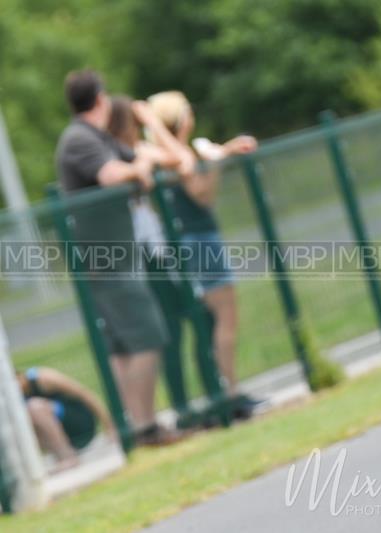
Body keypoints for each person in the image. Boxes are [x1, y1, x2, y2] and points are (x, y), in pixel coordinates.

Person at [54, 70, 180, 446]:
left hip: (115, 257)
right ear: (100, 99)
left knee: (126, 346)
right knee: (148, 336)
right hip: (106, 261)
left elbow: (163, 160)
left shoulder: (98, 137)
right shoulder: (79, 139)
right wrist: (140, 169)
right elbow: (113, 176)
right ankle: (143, 427)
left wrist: (148, 149)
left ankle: (133, 428)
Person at [146, 90, 260, 420]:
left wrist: (222, 150)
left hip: (187, 241)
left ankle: (225, 391)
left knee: (213, 321)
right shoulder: (177, 154)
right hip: (199, 239)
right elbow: (201, 192)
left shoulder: (165, 154)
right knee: (225, 318)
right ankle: (230, 392)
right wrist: (218, 162)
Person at [17, 367, 115, 472]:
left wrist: (110, 427)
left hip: (81, 424)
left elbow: (85, 394)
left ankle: (68, 457)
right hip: (64, 438)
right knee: (21, 419)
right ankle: (59, 456)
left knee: (34, 408)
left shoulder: (42, 378)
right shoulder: (15, 398)